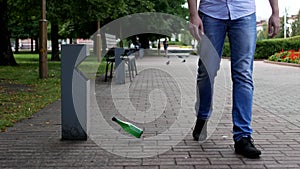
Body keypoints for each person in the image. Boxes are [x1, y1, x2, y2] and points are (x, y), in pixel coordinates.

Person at [187, 0, 280, 159]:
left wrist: (275, 12)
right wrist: (193, 14)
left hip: (244, 12)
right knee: (206, 71)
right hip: (211, 12)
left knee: (243, 73)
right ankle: (202, 116)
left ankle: (242, 136)